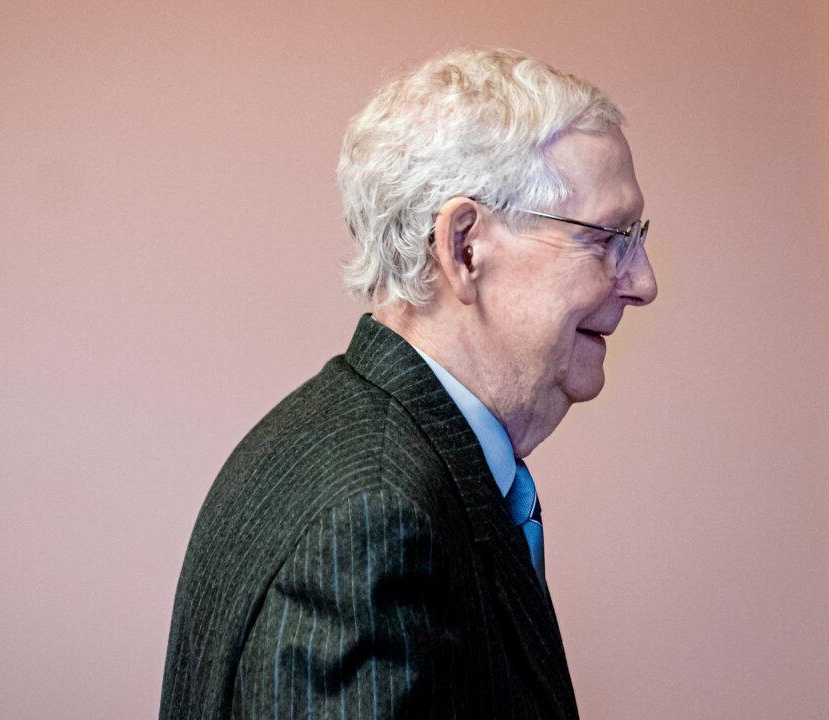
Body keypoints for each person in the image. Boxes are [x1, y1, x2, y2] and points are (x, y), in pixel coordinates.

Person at [159, 48, 657, 719]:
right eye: (607, 238)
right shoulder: (374, 518)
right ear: (464, 247)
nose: (643, 282)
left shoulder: (347, 444)